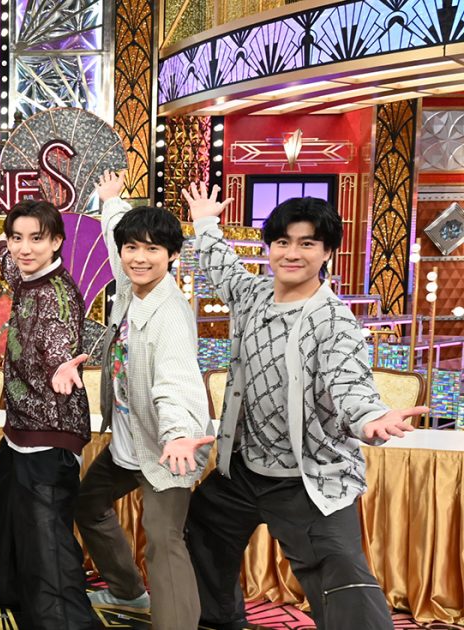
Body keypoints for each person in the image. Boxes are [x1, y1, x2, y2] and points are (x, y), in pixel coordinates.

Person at [182, 183, 428, 630]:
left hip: (307, 477)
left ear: (327, 251)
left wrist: (370, 416)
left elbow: (348, 381)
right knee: (202, 531)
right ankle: (217, 621)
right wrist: (204, 222)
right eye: (282, 242)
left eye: (307, 243)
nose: (292, 253)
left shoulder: (333, 320)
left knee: (342, 575)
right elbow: (222, 268)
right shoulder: (254, 295)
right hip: (243, 469)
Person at [66, 170, 214, 629]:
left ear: (172, 255)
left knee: (164, 541)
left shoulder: (170, 315)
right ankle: (128, 592)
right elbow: (116, 245)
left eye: (153, 249)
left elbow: (176, 381)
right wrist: (111, 201)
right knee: (88, 504)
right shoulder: (131, 288)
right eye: (133, 248)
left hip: (166, 447)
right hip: (129, 443)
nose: (139, 257)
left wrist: (178, 434)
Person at [0, 200, 99, 630]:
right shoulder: (26, 273)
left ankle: (65, 623)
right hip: (20, 428)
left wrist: (63, 367)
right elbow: (11, 266)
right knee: (3, 500)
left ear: (57, 242)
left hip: (50, 433)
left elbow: (59, 339)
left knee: (46, 536)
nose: (24, 248)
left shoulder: (57, 296)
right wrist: (1, 248)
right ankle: (12, 587)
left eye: (36, 238)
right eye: (17, 238)